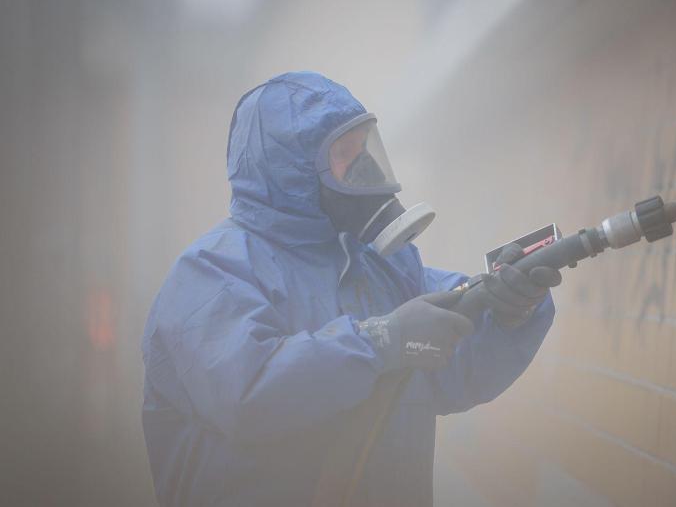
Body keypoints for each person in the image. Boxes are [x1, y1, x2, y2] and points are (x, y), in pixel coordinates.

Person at [141, 71, 561, 507]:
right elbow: (250, 397)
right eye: (344, 154)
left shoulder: (380, 264)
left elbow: (457, 356)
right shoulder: (211, 272)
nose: (364, 169)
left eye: (364, 150)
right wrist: (381, 341)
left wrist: (510, 308)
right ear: (290, 170)